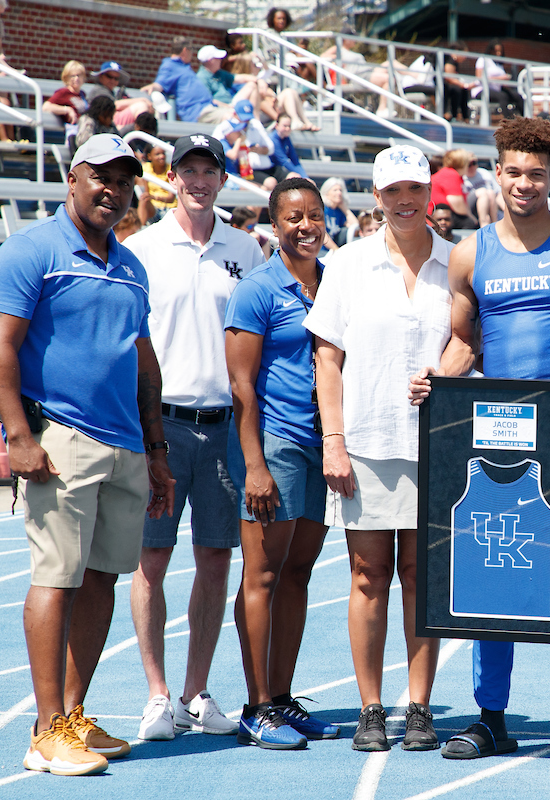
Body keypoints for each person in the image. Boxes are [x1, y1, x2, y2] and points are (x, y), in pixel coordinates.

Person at [408, 116, 550, 764]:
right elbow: (463, 342)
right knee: (486, 571)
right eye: (514, 172)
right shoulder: (470, 252)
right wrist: (436, 380)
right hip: (489, 430)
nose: (524, 183)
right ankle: (490, 716)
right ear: (496, 174)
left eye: (537, 173)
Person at [0, 134, 176, 776]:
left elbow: (142, 359)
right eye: (102, 177)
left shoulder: (131, 263)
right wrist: (20, 437)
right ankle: (44, 731)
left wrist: (156, 449)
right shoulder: (31, 250)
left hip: (125, 445)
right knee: (56, 578)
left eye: (125, 180)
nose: (113, 190)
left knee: (100, 579)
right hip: (60, 439)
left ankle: (72, 713)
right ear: (73, 176)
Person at [304, 146, 451, 754]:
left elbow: (472, 341)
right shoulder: (348, 264)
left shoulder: (457, 261)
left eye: (416, 187)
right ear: (378, 197)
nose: (407, 199)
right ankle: (371, 708)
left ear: (429, 192)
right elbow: (327, 360)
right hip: (365, 441)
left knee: (424, 578)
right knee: (369, 576)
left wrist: (446, 370)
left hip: (440, 445)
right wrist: (333, 442)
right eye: (394, 190)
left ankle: (418, 707)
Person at [125, 135, 266, 742]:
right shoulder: (143, 248)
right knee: (150, 560)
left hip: (224, 428)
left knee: (215, 561)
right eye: (189, 170)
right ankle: (157, 695)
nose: (199, 180)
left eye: (210, 170)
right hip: (161, 426)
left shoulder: (246, 250)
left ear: (223, 179)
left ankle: (194, 692)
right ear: (172, 178)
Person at [225, 177, 338, 750]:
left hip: (321, 448)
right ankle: (256, 705)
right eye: (293, 217)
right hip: (273, 444)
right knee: (263, 575)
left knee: (298, 573)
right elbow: (241, 385)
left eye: (314, 215)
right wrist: (254, 464)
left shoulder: (332, 284)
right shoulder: (258, 290)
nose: (306, 226)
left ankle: (283, 698)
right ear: (275, 225)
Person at [140, 37, 234, 125]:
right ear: (185, 50)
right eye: (191, 49)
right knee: (233, 118)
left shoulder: (183, 66)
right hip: (199, 113)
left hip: (209, 108)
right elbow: (159, 84)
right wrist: (153, 86)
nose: (192, 53)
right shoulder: (170, 65)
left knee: (239, 114)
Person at [196, 44, 280, 123]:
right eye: (218, 58)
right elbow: (209, 100)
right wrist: (226, 106)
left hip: (231, 104)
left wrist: (259, 81)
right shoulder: (201, 77)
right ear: (211, 61)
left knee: (252, 85)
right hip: (220, 109)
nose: (220, 60)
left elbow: (243, 78)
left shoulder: (219, 73)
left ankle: (255, 121)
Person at [84, 61, 153, 131]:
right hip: (102, 126)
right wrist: (142, 99)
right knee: (141, 105)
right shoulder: (98, 89)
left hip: (113, 126)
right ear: (101, 76)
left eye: (116, 78)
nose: (112, 80)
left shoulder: (111, 92)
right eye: (109, 76)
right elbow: (114, 105)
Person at [431, 149, 478, 229]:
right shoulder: (451, 174)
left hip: (442, 212)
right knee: (469, 223)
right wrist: (473, 219)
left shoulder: (450, 173)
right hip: (437, 215)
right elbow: (457, 204)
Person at [475, 40, 523, 118]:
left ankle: (525, 119)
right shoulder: (483, 60)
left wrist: (506, 81)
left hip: (497, 89)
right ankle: (508, 121)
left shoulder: (499, 64)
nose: (498, 53)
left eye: (500, 51)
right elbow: (479, 77)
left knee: (517, 96)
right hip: (482, 90)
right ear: (491, 50)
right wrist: (500, 78)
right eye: (496, 51)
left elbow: (501, 82)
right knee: (503, 96)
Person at [320, 177, 358, 249]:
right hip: (323, 250)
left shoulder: (338, 211)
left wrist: (345, 208)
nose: (339, 193)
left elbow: (355, 227)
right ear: (326, 193)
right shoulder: (322, 209)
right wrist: (336, 250)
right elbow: (322, 234)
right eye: (335, 190)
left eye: (340, 190)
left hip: (335, 247)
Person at [269, 113, 309, 179]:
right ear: (277, 125)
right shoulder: (273, 139)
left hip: (280, 169)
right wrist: (302, 177)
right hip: (272, 170)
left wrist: (305, 176)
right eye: (284, 126)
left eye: (289, 126)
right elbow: (283, 161)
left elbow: (294, 159)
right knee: (294, 177)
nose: (287, 129)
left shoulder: (286, 138)